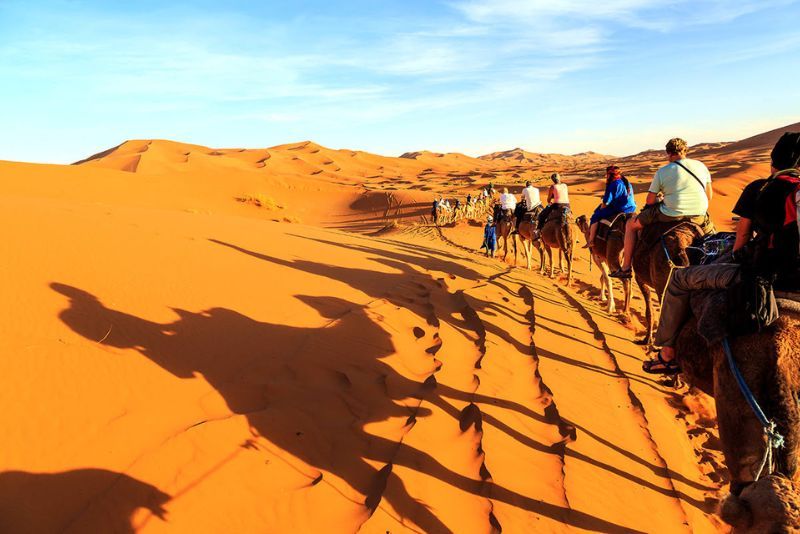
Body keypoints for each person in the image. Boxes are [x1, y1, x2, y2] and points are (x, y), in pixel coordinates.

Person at [643, 132, 800, 374]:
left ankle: (667, 354)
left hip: (767, 276)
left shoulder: (760, 188)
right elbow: (708, 197)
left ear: (773, 161)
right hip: (702, 217)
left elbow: (743, 236)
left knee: (679, 279)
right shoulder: (701, 166)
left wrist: (737, 256)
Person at [611, 138, 713, 279]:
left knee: (630, 225)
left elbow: (650, 200)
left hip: (670, 213)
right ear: (685, 151)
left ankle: (626, 267)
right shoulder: (701, 166)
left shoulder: (663, 171)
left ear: (668, 153)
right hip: (699, 214)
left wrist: (663, 199)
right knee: (712, 235)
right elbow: (709, 195)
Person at [583, 165, 637, 248]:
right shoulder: (626, 182)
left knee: (595, 216)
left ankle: (591, 240)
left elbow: (606, 202)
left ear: (610, 174)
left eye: (607, 174)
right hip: (631, 208)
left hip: (620, 208)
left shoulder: (613, 184)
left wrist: (600, 210)